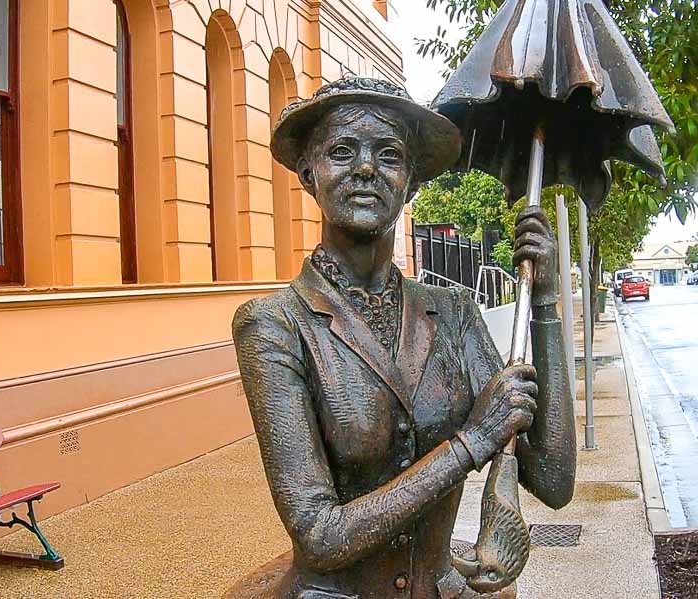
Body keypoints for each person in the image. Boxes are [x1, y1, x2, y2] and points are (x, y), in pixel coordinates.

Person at [227, 77, 576, 599]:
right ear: (308, 173)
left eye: (388, 154)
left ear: (410, 182)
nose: (366, 168)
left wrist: (545, 301)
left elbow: (551, 480)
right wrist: (473, 442)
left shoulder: (455, 313)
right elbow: (319, 536)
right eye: (342, 151)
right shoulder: (275, 323)